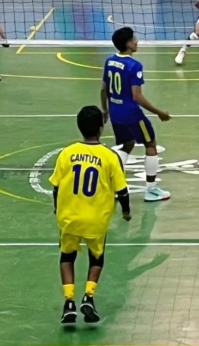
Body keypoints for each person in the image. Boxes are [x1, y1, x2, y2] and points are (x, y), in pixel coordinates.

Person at [50, 106, 131, 325]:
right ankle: (89, 296)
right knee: (97, 259)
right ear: (100, 128)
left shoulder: (67, 153)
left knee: (67, 257)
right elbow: (122, 190)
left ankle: (69, 302)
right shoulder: (109, 156)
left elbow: (56, 187)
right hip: (96, 219)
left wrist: (58, 209)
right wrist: (126, 211)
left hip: (69, 218)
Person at [102, 27, 172, 202]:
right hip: (132, 114)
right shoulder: (134, 66)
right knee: (150, 144)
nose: (137, 41)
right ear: (127, 43)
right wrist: (159, 112)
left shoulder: (109, 61)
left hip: (116, 113)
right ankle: (151, 190)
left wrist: (105, 111)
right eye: (134, 39)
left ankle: (116, 188)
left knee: (127, 145)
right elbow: (137, 96)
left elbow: (104, 90)